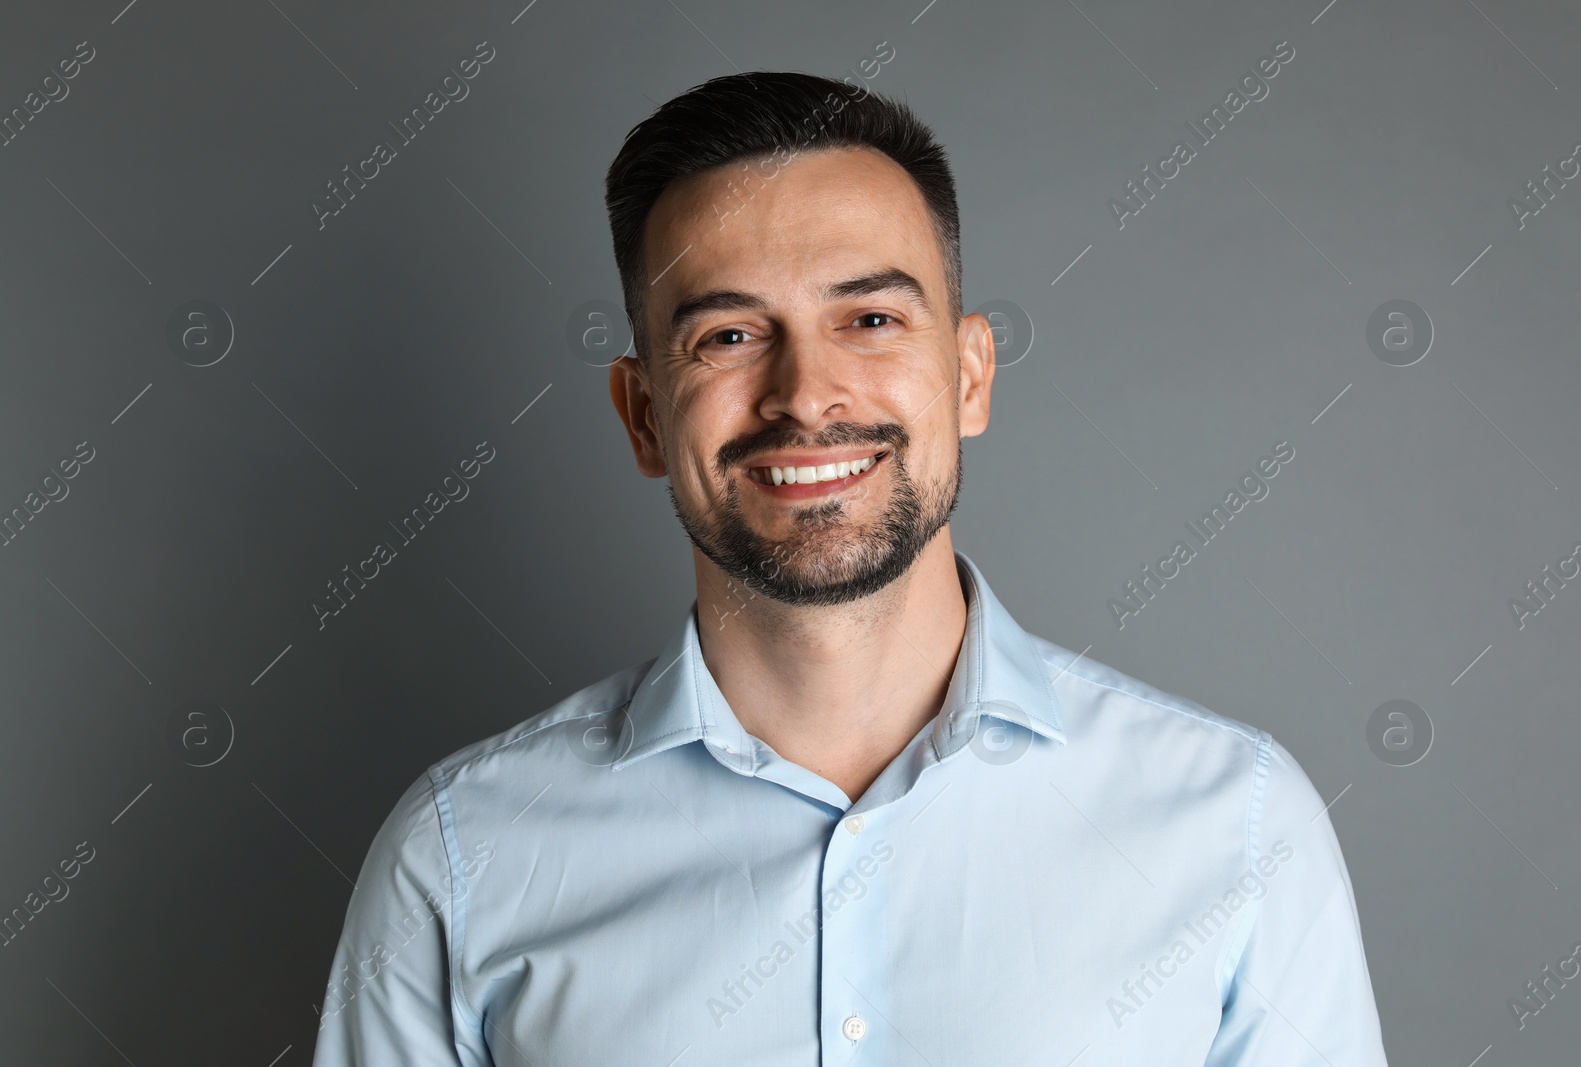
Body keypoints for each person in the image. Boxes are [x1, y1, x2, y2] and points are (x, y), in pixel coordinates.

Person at [310, 71, 1388, 1065]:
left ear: (967, 376)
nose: (805, 394)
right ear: (643, 414)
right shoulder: (460, 857)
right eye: (728, 336)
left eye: (869, 318)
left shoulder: (1234, 825)